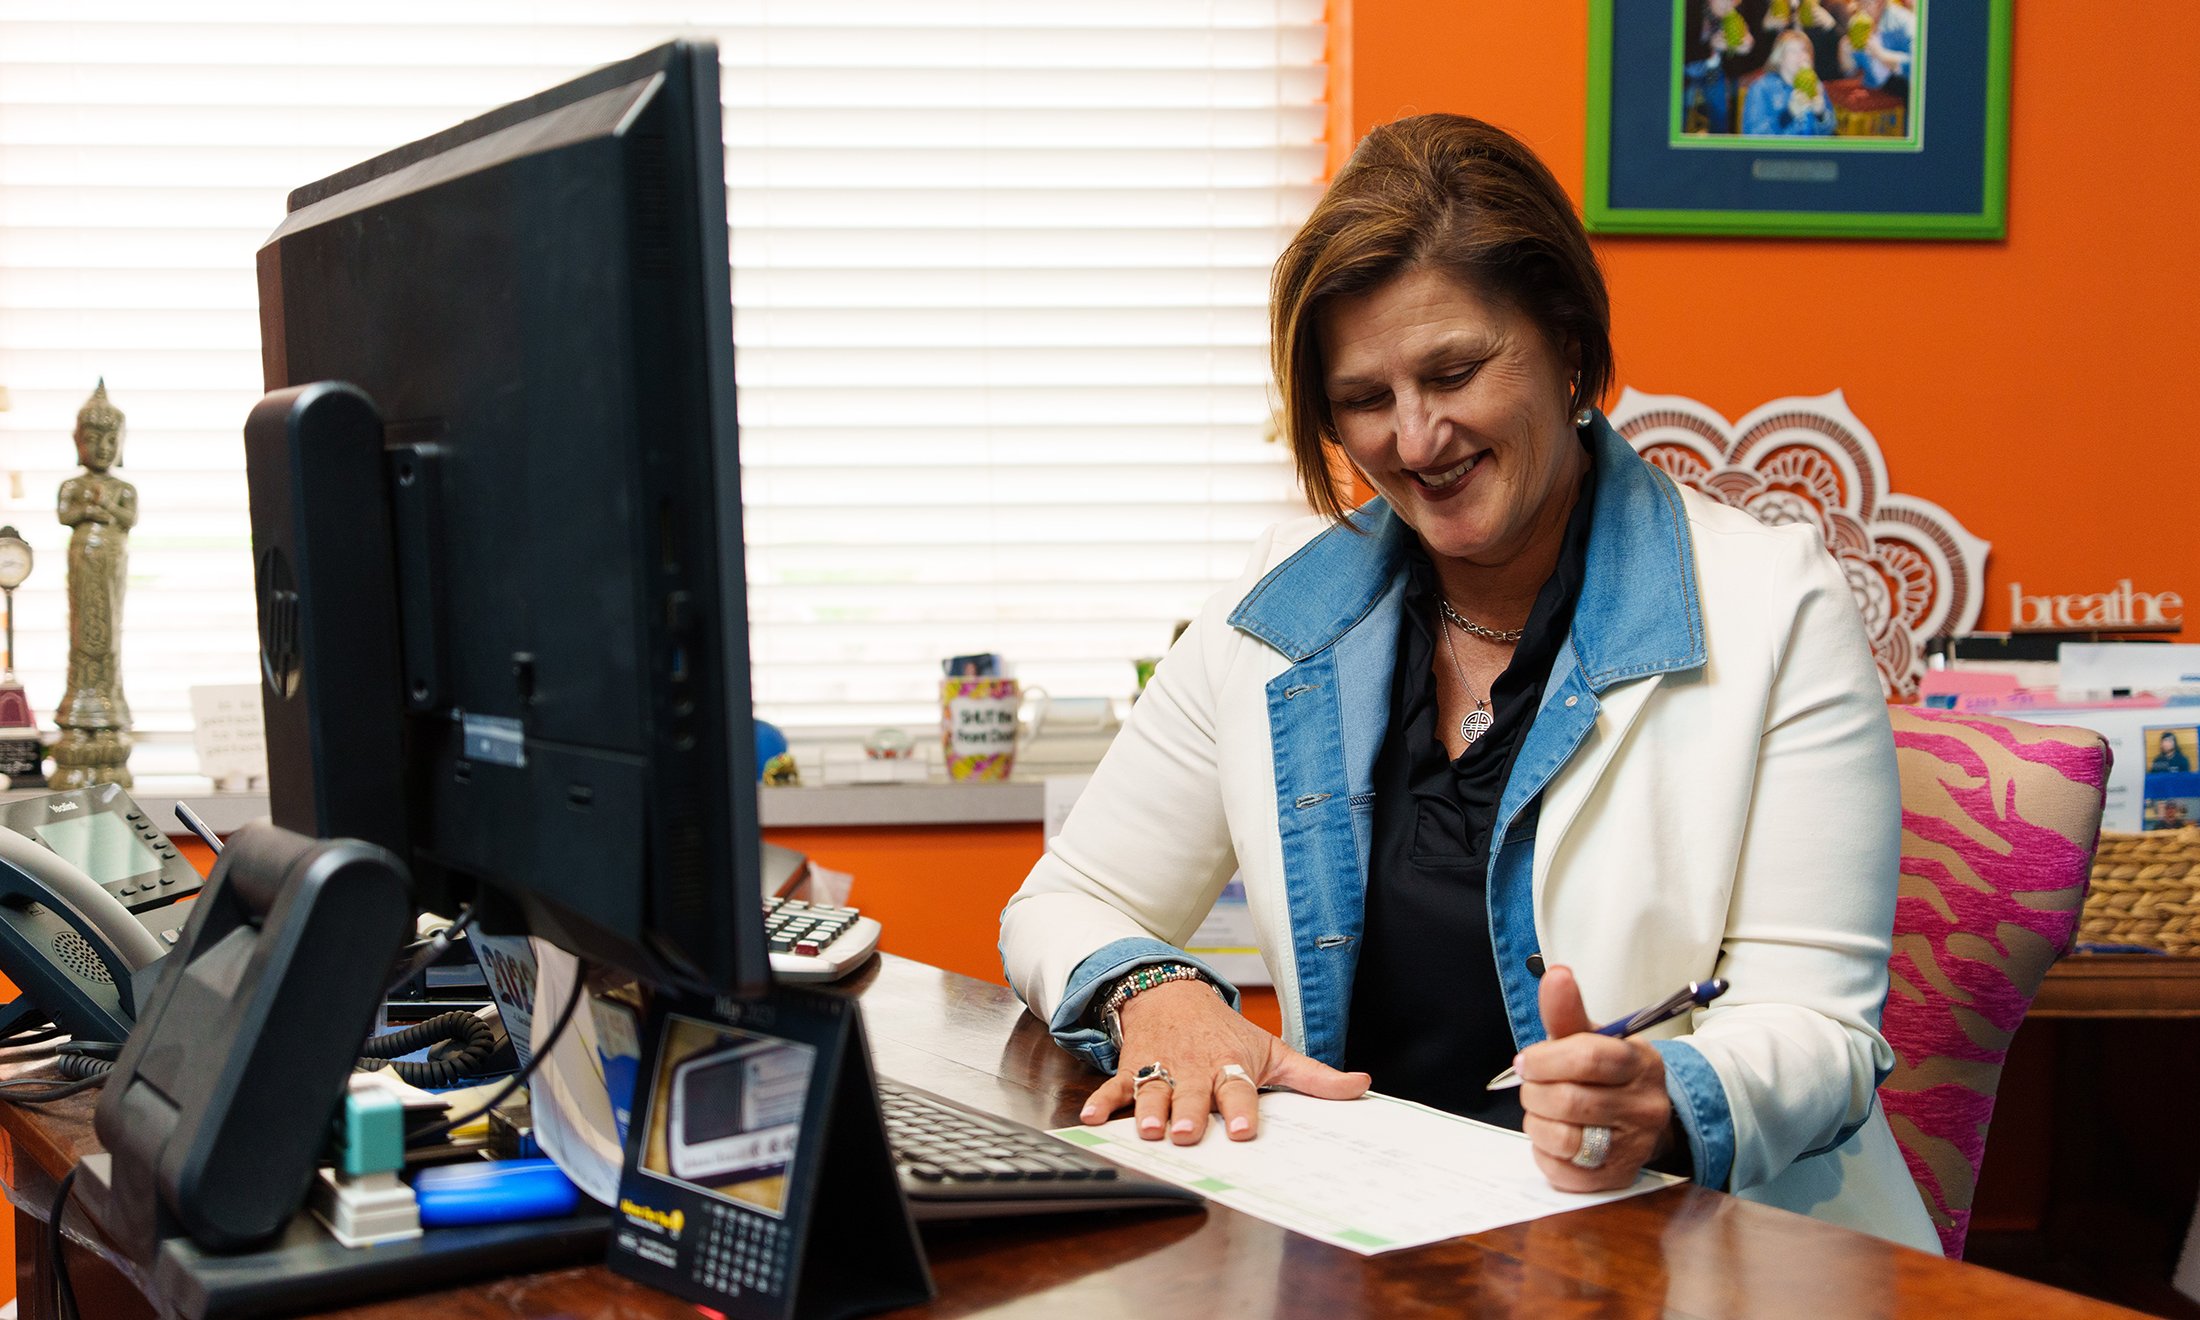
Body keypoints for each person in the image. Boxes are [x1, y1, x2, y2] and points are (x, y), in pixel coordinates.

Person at [999, 113, 1939, 1251]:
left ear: (1569, 347)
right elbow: (1066, 901)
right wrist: (1160, 989)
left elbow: (1821, 1030)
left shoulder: (1774, 603)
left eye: (1453, 371)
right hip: (1371, 1238)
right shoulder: (1276, 612)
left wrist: (1664, 1097)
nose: (1414, 436)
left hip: (1693, 1252)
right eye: (1362, 398)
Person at [1743, 29, 1836, 135]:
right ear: (1779, 58)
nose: (1801, 56)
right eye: (1793, 51)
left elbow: (1829, 133)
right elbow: (1753, 134)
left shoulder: (1816, 84)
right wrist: (1789, 115)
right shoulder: (1761, 88)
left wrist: (1821, 115)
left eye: (1804, 50)